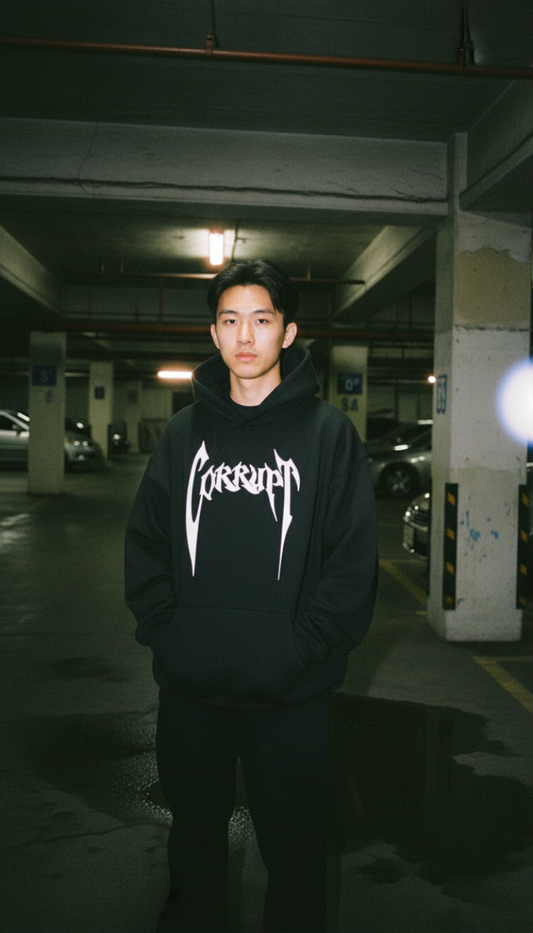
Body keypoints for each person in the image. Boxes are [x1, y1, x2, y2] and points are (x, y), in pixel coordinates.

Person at [124, 259, 378, 933]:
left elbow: (352, 561)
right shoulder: (182, 435)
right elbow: (146, 543)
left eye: (261, 319)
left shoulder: (328, 435)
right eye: (230, 320)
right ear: (213, 333)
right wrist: (170, 633)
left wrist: (303, 647)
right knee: (193, 852)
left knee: (295, 861)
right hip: (191, 693)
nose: (244, 335)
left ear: (287, 332)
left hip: (290, 696)